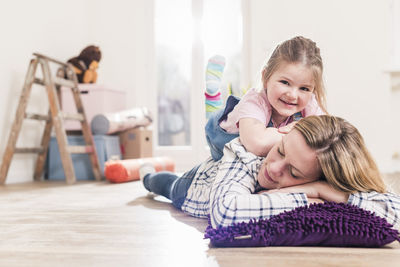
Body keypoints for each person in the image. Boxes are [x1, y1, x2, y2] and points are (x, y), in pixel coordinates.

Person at [141, 115, 400, 230]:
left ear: (321, 177)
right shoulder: (246, 152)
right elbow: (226, 212)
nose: (273, 168)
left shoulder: (320, 178)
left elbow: (394, 212)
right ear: (286, 132)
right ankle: (146, 174)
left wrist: (321, 190)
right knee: (164, 183)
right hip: (195, 184)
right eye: (282, 150)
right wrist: (309, 192)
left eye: (295, 173)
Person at [205, 36, 327, 161]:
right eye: (285, 82)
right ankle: (213, 98)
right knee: (219, 114)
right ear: (266, 77)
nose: (293, 95)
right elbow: (258, 143)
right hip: (220, 138)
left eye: (304, 88)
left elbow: (327, 134)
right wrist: (301, 130)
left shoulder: (309, 103)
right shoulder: (255, 101)